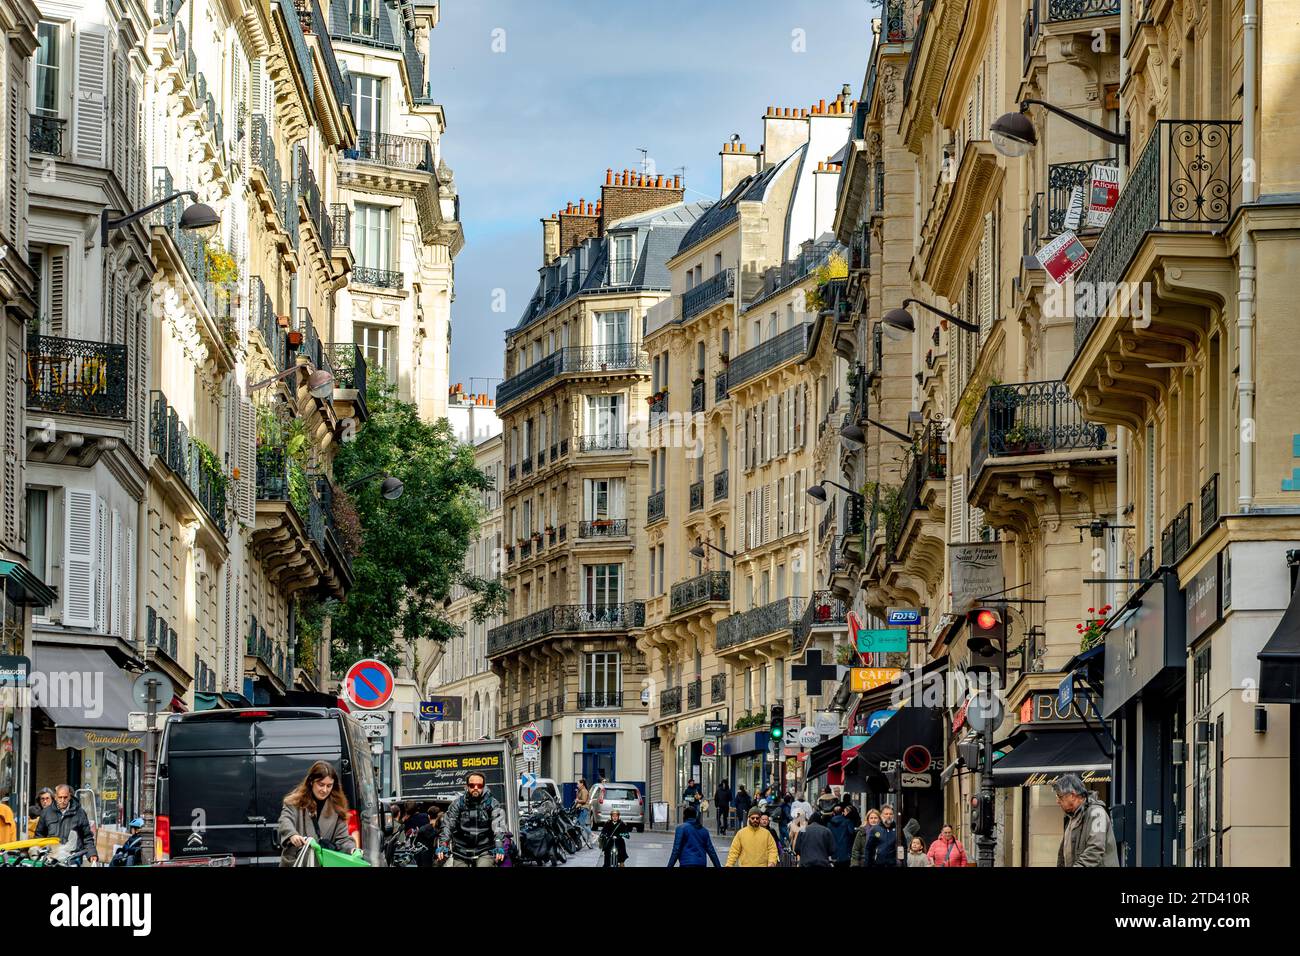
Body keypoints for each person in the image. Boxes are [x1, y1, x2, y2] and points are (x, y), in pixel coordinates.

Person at [277, 761, 356, 867]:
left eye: (329, 786)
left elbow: (343, 839)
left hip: (323, 862)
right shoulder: (294, 802)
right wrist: (292, 835)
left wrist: (351, 849)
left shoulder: (337, 807)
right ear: (311, 782)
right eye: (321, 785)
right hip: (297, 861)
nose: (325, 790)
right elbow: (285, 820)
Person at [437, 771, 507, 867]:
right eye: (472, 785)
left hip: (485, 849)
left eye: (479, 785)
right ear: (467, 786)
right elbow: (448, 824)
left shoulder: (493, 803)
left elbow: (498, 825)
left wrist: (499, 844)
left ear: (484, 786)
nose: (476, 788)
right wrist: (443, 844)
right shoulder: (457, 804)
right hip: (461, 851)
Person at [1054, 774, 1119, 867]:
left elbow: (1095, 850)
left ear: (1072, 795)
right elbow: (1063, 854)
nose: (1057, 801)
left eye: (1060, 796)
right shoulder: (1071, 817)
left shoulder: (1096, 813)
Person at [35, 784, 97, 864]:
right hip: (51, 858)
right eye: (60, 797)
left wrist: (92, 854)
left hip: (73, 858)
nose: (62, 800)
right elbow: (39, 834)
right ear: (55, 797)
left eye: (65, 797)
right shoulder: (46, 813)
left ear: (69, 796)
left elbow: (87, 837)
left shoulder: (80, 813)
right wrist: (42, 851)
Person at [826, 804, 856, 868]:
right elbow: (852, 833)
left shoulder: (829, 824)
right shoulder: (848, 822)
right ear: (842, 812)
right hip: (845, 853)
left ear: (833, 813)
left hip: (834, 853)